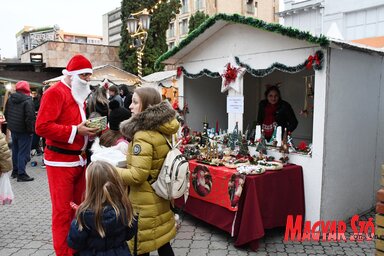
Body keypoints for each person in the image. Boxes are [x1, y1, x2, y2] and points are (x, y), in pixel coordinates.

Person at [35, 54, 99, 256]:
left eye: (89, 76)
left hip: (78, 159)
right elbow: (42, 127)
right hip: (60, 161)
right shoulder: (55, 93)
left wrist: (89, 130)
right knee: (62, 212)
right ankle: (63, 252)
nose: (88, 79)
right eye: (85, 75)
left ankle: (74, 248)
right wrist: (75, 131)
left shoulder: (77, 94)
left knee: (77, 208)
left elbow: (74, 123)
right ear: (72, 75)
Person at [118, 86, 179, 256]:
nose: (130, 106)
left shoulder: (142, 135)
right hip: (160, 197)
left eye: (135, 102)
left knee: (140, 247)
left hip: (143, 204)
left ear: (147, 107)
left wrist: (112, 171)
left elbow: (137, 176)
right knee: (162, 241)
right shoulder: (161, 129)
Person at [67, 160, 138, 255]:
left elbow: (74, 243)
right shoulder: (125, 208)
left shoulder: (84, 216)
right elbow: (130, 234)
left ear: (90, 187)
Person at [4, 81, 35, 182]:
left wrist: (11, 125)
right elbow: (30, 118)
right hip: (24, 131)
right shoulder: (28, 100)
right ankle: (21, 174)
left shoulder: (10, 99)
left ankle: (15, 172)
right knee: (23, 153)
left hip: (14, 129)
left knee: (15, 151)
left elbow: (6, 113)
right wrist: (31, 131)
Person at [31, 89, 43, 156]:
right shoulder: (32, 99)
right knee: (35, 135)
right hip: (35, 119)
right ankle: (38, 150)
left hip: (37, 119)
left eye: (34, 93)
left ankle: (37, 149)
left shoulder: (39, 100)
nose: (33, 94)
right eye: (32, 93)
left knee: (36, 135)